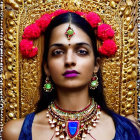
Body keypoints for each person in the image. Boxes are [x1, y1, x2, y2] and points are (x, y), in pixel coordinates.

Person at [2, 11, 140, 140]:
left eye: (81, 51)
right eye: (57, 52)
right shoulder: (15, 132)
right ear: (46, 67)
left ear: (96, 65)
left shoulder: (127, 130)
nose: (69, 61)